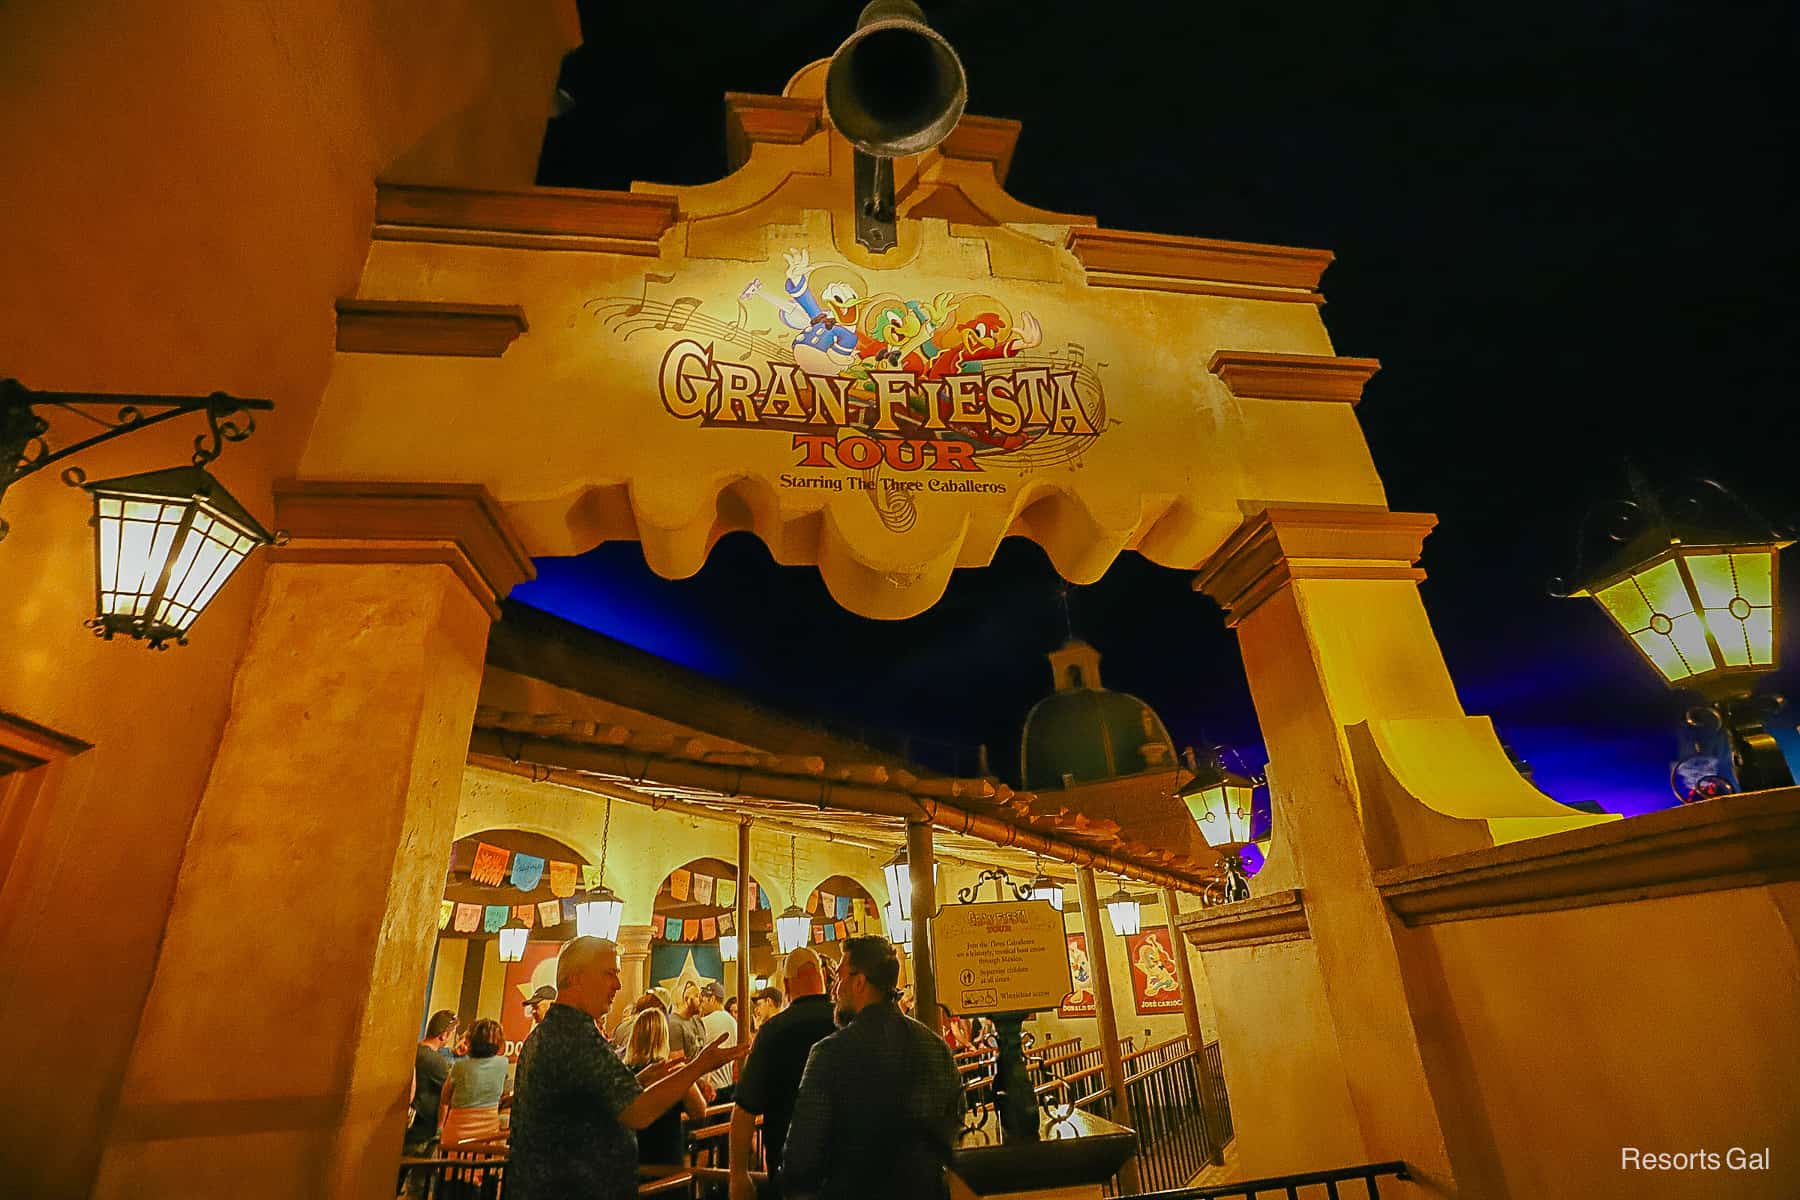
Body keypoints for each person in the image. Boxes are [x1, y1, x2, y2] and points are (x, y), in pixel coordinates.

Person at [509, 937, 744, 1200]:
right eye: (610, 974)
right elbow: (638, 1113)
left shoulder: (545, 1034)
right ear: (576, 979)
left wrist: (639, 1078)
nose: (618, 985)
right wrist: (699, 1066)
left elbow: (584, 1102)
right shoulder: (577, 1036)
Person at [781, 937, 963, 1200]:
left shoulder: (830, 1054)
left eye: (839, 978)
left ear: (859, 982)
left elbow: (801, 1157)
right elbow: (954, 1128)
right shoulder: (935, 1047)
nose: (834, 990)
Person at [730, 948, 835, 1200]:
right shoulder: (846, 1021)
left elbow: (744, 1109)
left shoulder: (773, 1032)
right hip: (847, 1161)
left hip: (790, 1163)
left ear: (787, 985)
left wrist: (738, 1174)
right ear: (822, 976)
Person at [619, 1008, 707, 1167]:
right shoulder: (674, 1073)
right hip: (667, 1160)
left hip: (632, 1162)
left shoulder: (623, 1074)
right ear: (664, 1038)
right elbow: (699, 1111)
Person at [438, 1018, 509, 1145]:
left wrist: (440, 1127)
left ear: (471, 1041)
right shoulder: (503, 1064)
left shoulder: (460, 1067)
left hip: (457, 1136)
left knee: (452, 1164)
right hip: (488, 1137)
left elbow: (444, 1098)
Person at [406, 1011, 458, 1154]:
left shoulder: (415, 1051)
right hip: (422, 1134)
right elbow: (454, 1091)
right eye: (452, 1033)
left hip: (408, 1129)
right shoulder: (435, 1061)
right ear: (443, 1035)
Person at [698, 980, 740, 1103]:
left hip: (710, 1087)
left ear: (712, 999)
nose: (701, 1005)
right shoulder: (733, 1022)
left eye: (703, 1001)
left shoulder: (704, 1023)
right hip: (727, 1084)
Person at [669, 981, 711, 1093]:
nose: (701, 1000)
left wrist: (706, 1083)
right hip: (687, 1090)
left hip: (703, 1087)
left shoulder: (698, 1021)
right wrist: (699, 1085)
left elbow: (705, 1055)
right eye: (697, 996)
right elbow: (678, 1066)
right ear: (686, 999)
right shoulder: (673, 1025)